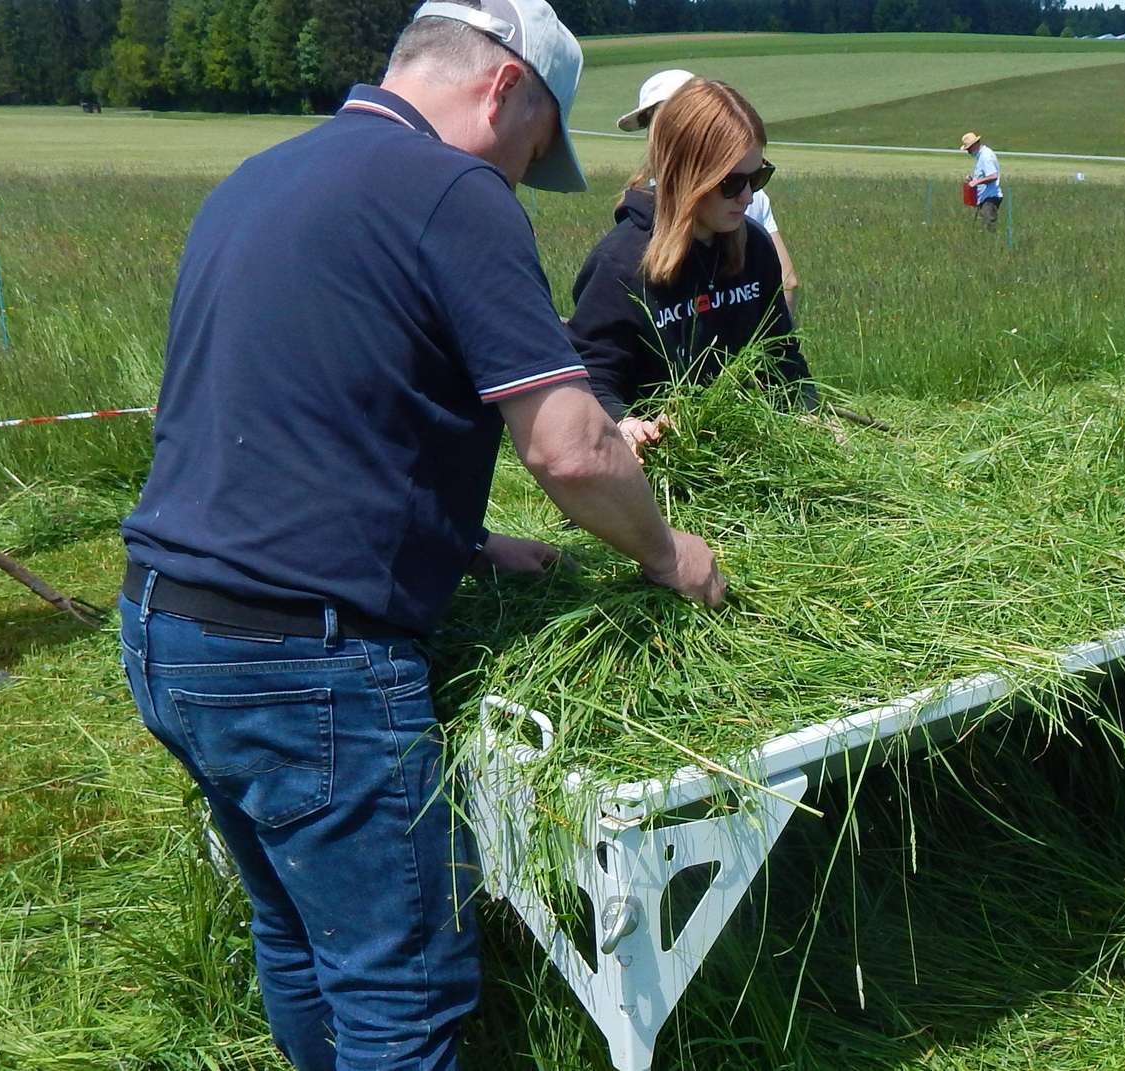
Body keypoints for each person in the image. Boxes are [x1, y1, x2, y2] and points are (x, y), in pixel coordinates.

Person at [116, 1, 725, 1067]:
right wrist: (670, 553)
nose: (519, 176)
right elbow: (571, 448)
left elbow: (280, 419)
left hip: (167, 631)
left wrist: (469, 544)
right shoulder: (452, 191)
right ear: (505, 88)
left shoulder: (260, 179)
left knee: (301, 933)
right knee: (400, 990)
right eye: (534, 146)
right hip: (303, 662)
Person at [569, 78, 813, 460]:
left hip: (743, 458)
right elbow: (590, 380)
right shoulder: (619, 265)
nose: (748, 196)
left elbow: (783, 358)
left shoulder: (756, 250)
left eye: (758, 177)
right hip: (656, 467)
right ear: (687, 174)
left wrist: (811, 416)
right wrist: (626, 424)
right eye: (732, 183)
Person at [619, 69, 800, 317]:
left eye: (757, 178)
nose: (747, 196)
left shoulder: (756, 238)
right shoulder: (619, 256)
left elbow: (786, 284)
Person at [961, 131, 1003, 230]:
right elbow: (984, 175)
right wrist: (973, 179)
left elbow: (993, 176)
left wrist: (976, 182)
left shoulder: (986, 156)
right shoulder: (980, 156)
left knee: (988, 228)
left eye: (969, 148)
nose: (968, 152)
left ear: (974, 145)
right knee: (981, 227)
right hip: (984, 198)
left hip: (990, 198)